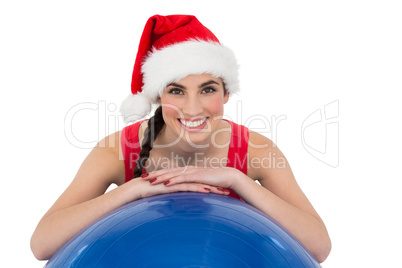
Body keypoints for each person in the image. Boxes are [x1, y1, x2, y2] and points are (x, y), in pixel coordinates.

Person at [30, 14, 331, 262]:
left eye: (207, 89)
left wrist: (235, 179)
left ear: (227, 93)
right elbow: (42, 244)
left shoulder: (255, 149)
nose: (192, 108)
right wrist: (132, 191)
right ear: (158, 97)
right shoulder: (118, 151)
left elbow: (319, 248)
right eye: (176, 91)